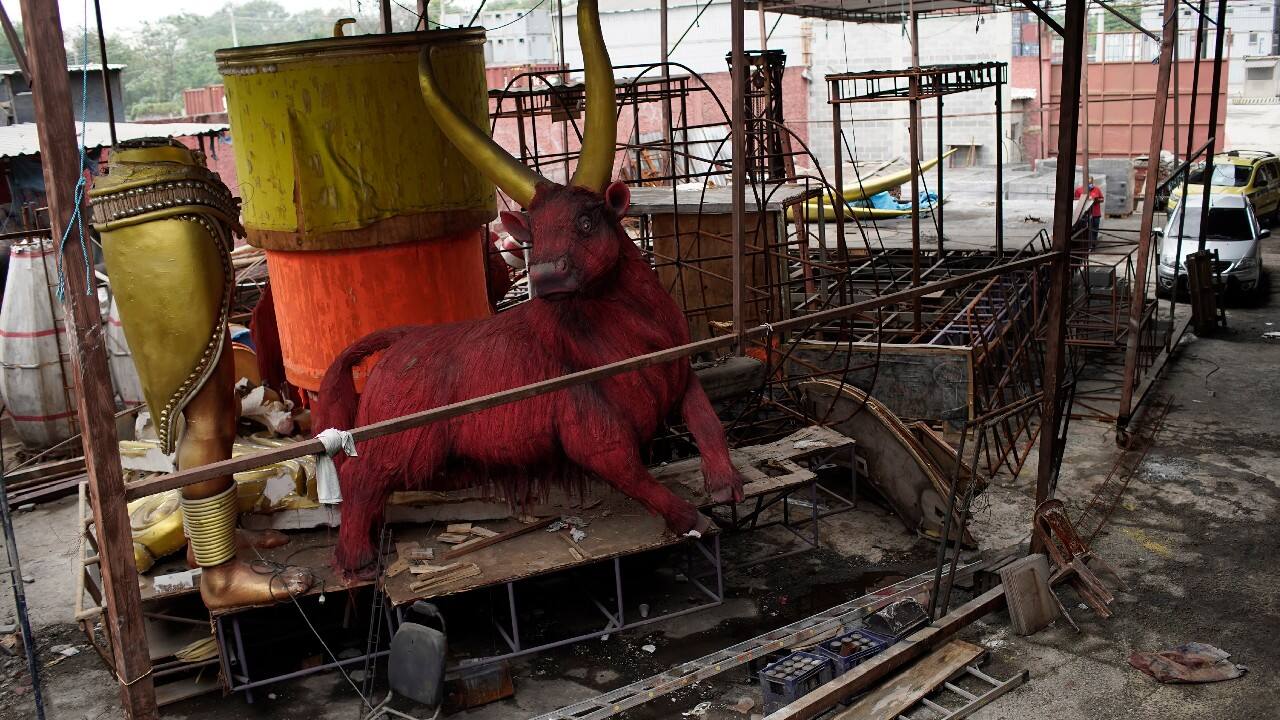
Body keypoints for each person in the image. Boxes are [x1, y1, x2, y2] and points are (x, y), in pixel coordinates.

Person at [1075, 176, 1104, 246]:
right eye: (1088, 182)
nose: (1089, 184)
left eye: (1090, 182)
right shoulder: (1079, 190)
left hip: (1096, 213)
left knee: (1095, 229)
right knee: (1085, 230)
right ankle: (1085, 245)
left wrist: (1096, 200)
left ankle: (1093, 245)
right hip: (1084, 214)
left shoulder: (1097, 189)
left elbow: (1102, 199)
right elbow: (1075, 200)